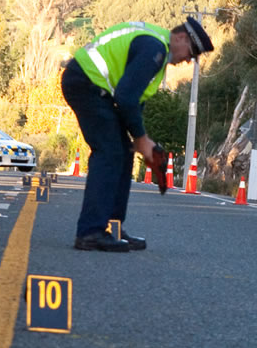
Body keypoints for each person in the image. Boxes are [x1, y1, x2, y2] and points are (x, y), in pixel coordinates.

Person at [59, 17, 214, 251]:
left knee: (123, 152)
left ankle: (113, 228)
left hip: (94, 88)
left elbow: (133, 102)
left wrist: (140, 141)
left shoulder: (156, 50)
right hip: (84, 83)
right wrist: (141, 139)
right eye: (190, 54)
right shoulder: (155, 49)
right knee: (109, 153)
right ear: (181, 38)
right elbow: (126, 97)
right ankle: (90, 232)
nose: (187, 61)